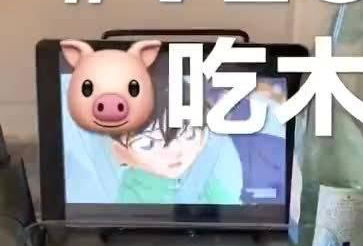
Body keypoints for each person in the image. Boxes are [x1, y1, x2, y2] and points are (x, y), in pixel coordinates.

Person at [61, 72, 243, 206]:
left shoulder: (208, 169)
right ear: (121, 153)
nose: (176, 151)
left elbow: (232, 212)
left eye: (190, 135)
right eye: (149, 143)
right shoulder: (131, 191)